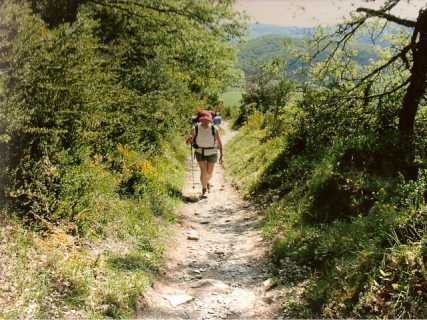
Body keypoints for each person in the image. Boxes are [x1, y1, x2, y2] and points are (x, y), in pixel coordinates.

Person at [187, 110, 223, 198]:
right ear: (200, 120)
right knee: (203, 171)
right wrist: (190, 139)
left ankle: (206, 182)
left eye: (207, 120)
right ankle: (204, 188)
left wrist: (222, 155)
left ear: (210, 120)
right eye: (203, 119)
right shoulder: (195, 128)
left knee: (209, 172)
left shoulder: (214, 129)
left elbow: (220, 143)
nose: (205, 121)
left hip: (212, 152)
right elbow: (189, 142)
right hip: (200, 152)